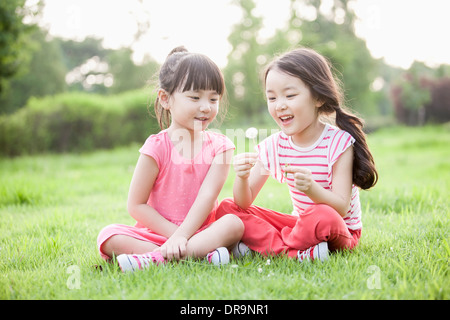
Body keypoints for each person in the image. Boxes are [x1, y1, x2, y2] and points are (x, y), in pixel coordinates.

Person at [215, 48, 378, 262]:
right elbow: (243, 203)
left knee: (321, 215)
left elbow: (340, 208)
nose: (280, 105)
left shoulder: (338, 143)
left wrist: (312, 189)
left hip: (337, 228)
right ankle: (298, 251)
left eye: (290, 95)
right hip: (300, 226)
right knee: (227, 208)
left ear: (318, 98)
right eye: (271, 98)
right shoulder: (275, 146)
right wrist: (242, 178)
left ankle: (270, 248)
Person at [97, 46, 244, 272]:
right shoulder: (156, 147)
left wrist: (184, 235)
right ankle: (200, 255)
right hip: (159, 234)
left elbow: (207, 196)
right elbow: (136, 205)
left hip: (201, 231)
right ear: (165, 99)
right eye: (195, 97)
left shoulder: (221, 147)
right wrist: (175, 236)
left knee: (234, 224)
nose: (205, 107)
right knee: (108, 236)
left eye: (213, 99)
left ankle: (156, 258)